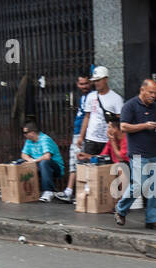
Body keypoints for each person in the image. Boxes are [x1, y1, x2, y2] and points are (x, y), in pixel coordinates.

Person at [114, 78, 156, 229]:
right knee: (138, 185)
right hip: (138, 153)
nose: (153, 95)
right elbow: (123, 127)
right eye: (150, 92)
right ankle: (120, 210)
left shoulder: (155, 107)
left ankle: (153, 219)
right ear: (142, 90)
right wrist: (144, 126)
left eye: (155, 93)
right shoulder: (130, 106)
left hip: (155, 152)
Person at [57, 73, 92, 202]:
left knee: (80, 163)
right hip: (77, 134)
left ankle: (76, 193)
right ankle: (69, 191)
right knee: (74, 163)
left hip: (83, 136)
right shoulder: (83, 97)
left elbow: (88, 118)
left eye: (86, 83)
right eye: (81, 84)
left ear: (91, 83)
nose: (84, 86)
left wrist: (82, 136)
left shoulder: (91, 97)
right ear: (78, 84)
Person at [79, 66, 123, 159]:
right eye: (95, 81)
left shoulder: (116, 98)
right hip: (91, 139)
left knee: (108, 168)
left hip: (108, 140)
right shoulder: (91, 97)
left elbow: (120, 120)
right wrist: (81, 136)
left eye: (98, 80)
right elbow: (87, 117)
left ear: (106, 79)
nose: (96, 83)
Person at [20, 122, 64, 201]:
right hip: (38, 165)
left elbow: (47, 157)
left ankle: (48, 191)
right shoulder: (28, 141)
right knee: (20, 162)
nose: (24, 134)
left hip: (55, 167)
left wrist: (34, 161)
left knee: (44, 162)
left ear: (32, 132)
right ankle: (20, 190)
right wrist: (30, 160)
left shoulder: (45, 139)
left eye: (25, 133)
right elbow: (23, 155)